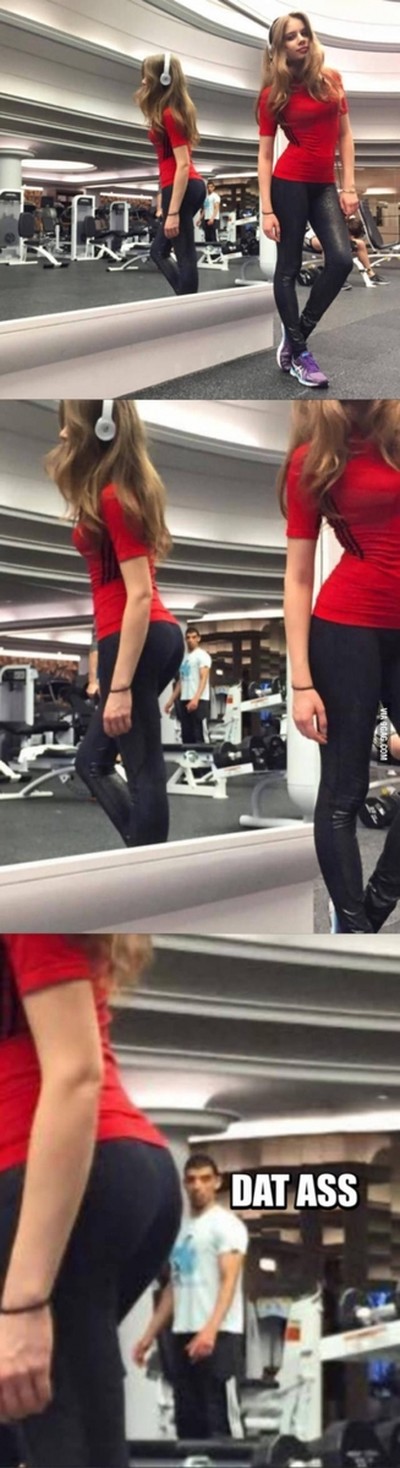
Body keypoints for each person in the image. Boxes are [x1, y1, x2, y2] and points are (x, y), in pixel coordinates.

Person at [0, 934, 182, 1468]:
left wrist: (26, 1304)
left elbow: (76, 1075)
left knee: (66, 1432)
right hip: (107, 1171)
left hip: (60, 1179)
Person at [279, 398, 400, 934]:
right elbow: (298, 576)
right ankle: (353, 928)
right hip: (344, 629)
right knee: (344, 791)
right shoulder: (312, 460)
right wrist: (300, 681)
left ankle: (371, 910)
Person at [45, 400, 184, 847]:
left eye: (69, 426)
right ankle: (142, 856)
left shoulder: (113, 497)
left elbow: (139, 594)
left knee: (143, 770)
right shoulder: (111, 492)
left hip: (133, 636)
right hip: (141, 635)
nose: (63, 435)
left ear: (101, 428)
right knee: (92, 761)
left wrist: (119, 686)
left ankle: (149, 871)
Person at [257, 11, 357, 389]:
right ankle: (300, 354)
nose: (301, 39)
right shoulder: (273, 94)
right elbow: (264, 155)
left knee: (341, 260)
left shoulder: (332, 80)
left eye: (304, 33)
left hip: (324, 185)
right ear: (279, 47)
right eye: (291, 36)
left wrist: (349, 186)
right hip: (288, 183)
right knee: (288, 267)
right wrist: (266, 208)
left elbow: (345, 136)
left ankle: (296, 334)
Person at [133, 1153, 248, 1439]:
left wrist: (210, 1330)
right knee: (188, 1422)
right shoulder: (182, 1229)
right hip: (183, 1335)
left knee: (220, 1423)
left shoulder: (227, 1225)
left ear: (217, 1182)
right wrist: (148, 1336)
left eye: (205, 1179)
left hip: (220, 1336)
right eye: (192, 1180)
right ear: (185, 1184)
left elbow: (229, 1281)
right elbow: (175, 1285)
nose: (198, 1186)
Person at [136, 53, 206, 294]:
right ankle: (184, 302)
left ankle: (188, 307)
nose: (143, 81)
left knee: (184, 254)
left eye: (146, 76)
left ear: (163, 78)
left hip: (181, 186)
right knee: (159, 251)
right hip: (183, 186)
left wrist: (173, 212)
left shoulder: (169, 114)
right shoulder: (169, 112)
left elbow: (183, 164)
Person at [164, 626, 212, 744]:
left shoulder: (202, 656)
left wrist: (196, 699)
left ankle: (202, 755)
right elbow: (181, 681)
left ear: (198, 638)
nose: (191, 640)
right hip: (185, 699)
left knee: (198, 734)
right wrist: (170, 701)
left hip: (199, 700)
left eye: (194, 637)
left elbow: (203, 678)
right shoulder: (185, 658)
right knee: (186, 735)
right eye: (188, 638)